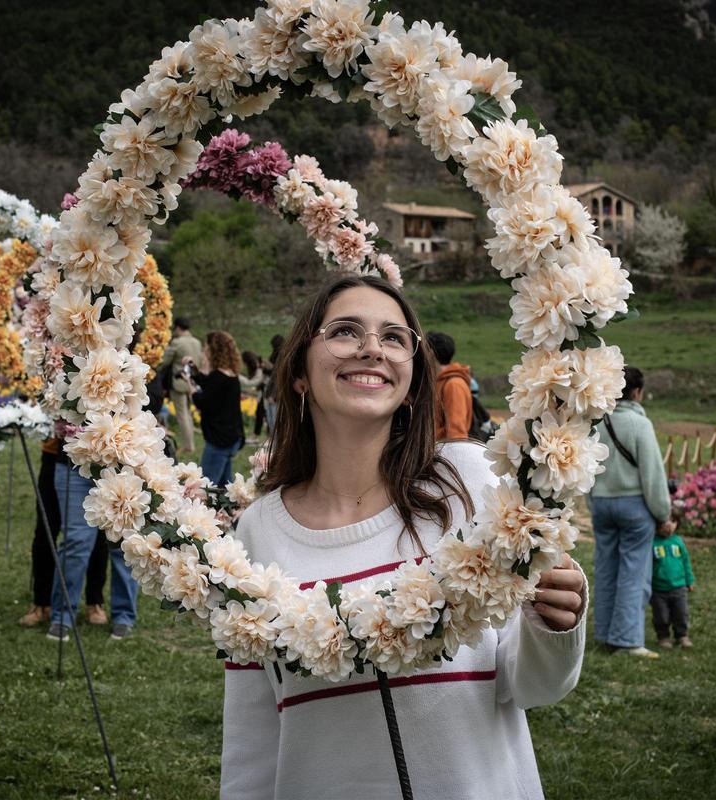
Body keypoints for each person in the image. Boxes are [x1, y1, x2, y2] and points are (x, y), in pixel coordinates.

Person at [221, 274, 586, 800]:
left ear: (413, 377)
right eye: (346, 331)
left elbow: (531, 685)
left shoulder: (470, 480)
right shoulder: (258, 529)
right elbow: (252, 733)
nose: (372, 348)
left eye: (394, 338)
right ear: (300, 370)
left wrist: (556, 627)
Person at [589, 366, 672, 658]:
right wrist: (663, 514)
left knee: (606, 568)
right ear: (637, 392)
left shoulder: (596, 423)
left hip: (600, 503)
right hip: (634, 505)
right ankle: (626, 640)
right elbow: (653, 476)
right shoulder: (640, 425)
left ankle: (603, 631)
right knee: (633, 572)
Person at [45, 454, 140, 642]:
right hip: (74, 465)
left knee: (123, 544)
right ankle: (62, 615)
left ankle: (124, 615)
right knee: (75, 541)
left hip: (124, 467)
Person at [18, 437, 111, 628]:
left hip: (98, 456)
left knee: (97, 531)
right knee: (46, 529)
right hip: (56, 455)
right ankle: (42, 602)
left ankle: (94, 601)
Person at [188, 331, 244, 487]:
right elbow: (207, 383)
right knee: (225, 488)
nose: (205, 350)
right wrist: (193, 368)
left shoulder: (218, 377)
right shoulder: (231, 375)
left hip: (219, 442)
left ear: (214, 350)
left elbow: (203, 403)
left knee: (207, 488)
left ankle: (209, 511)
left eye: (206, 347)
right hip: (231, 437)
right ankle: (230, 510)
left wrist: (191, 388)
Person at [158, 317, 203, 455]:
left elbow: (165, 361)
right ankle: (191, 444)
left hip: (178, 382)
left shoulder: (177, 342)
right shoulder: (197, 342)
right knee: (188, 414)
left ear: (178, 328)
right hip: (192, 382)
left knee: (182, 415)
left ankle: (188, 446)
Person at [651, 524, 695, 649]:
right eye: (664, 523)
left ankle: (682, 635)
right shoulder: (652, 543)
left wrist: (689, 580)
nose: (669, 526)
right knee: (661, 615)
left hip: (679, 587)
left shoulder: (678, 542)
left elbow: (685, 561)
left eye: (673, 521)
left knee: (681, 613)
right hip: (658, 588)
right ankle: (663, 637)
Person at [426, 331, 474, 441]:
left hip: (446, 453)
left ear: (431, 353)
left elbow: (457, 433)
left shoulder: (454, 384)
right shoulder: (438, 381)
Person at [260, 334, 285, 435]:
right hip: (272, 389)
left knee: (274, 420)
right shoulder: (277, 354)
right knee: (270, 419)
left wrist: (273, 395)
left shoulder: (281, 355)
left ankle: (277, 444)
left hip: (275, 391)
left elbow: (279, 376)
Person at [239, 350, 265, 443]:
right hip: (264, 393)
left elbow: (253, 382)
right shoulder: (258, 365)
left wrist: (238, 377)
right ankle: (256, 435)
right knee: (260, 413)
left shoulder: (259, 366)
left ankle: (257, 436)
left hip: (267, 394)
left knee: (261, 414)